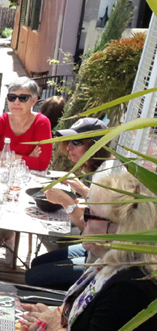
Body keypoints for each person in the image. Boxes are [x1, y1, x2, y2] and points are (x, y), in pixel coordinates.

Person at [21, 172, 157, 331]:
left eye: (89, 214)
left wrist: (56, 330)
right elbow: (92, 323)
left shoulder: (129, 288)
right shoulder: (112, 267)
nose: (82, 221)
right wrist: (58, 316)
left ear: (118, 228)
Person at [26, 117, 122, 290]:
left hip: (105, 261)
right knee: (37, 262)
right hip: (98, 251)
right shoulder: (107, 166)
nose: (69, 147)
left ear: (95, 145)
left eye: (77, 142)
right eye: (69, 141)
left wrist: (65, 201)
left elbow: (91, 233)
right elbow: (99, 206)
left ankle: (67, 308)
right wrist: (81, 188)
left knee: (32, 276)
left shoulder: (105, 177)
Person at [0, 77, 53, 261]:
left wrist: (4, 155)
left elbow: (42, 163)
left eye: (23, 98)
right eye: (12, 97)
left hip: (28, 181)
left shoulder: (42, 123)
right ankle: (7, 236)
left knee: (16, 199)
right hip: (0, 177)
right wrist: (26, 158)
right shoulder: (1, 121)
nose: (16, 102)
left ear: (34, 100)